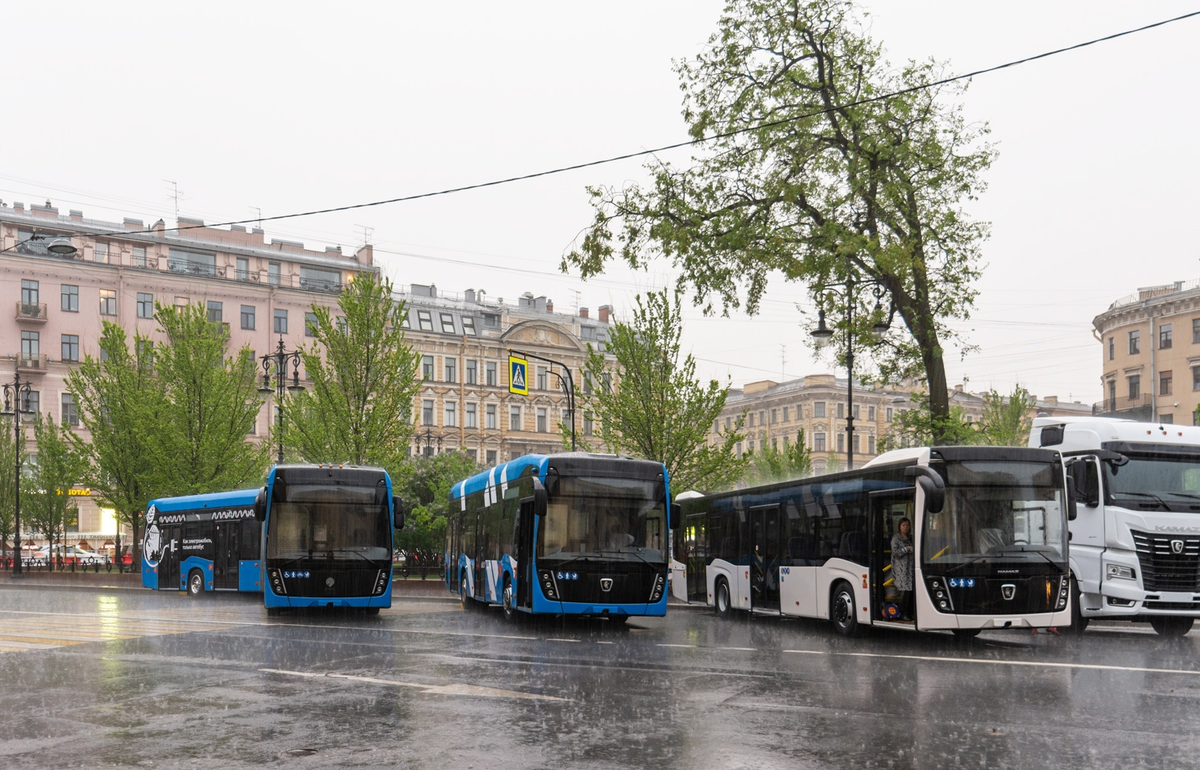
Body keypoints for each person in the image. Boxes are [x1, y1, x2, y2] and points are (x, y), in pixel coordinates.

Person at [891, 517, 915, 621]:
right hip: (901, 569)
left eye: (907, 525)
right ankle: (903, 612)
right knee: (906, 591)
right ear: (899, 527)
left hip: (911, 568)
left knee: (911, 591)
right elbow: (895, 553)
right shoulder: (896, 538)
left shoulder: (911, 538)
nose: (905, 527)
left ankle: (910, 612)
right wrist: (907, 549)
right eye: (903, 525)